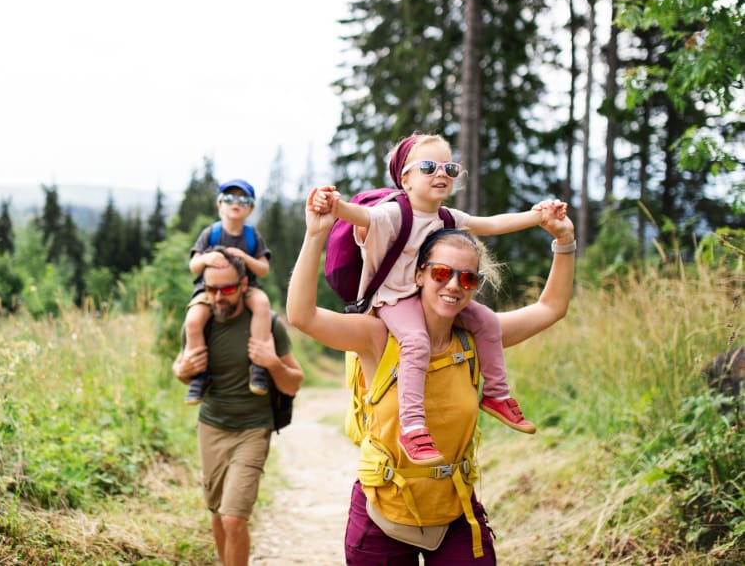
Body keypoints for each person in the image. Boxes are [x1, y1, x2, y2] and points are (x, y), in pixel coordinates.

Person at [287, 187, 575, 564]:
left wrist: (565, 241)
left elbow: (551, 307)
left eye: (468, 279)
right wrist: (315, 234)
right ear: (419, 275)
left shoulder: (477, 339)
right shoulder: (378, 336)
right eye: (441, 273)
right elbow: (301, 316)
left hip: (456, 513)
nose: (454, 285)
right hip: (382, 515)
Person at [312, 133, 567, 465]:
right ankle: (413, 426)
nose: (441, 173)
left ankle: (496, 395)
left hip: (425, 296)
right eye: (429, 167)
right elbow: (361, 217)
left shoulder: (446, 218)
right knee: (416, 341)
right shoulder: (393, 213)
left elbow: (489, 225)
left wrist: (538, 217)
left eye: (450, 167)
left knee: (487, 320)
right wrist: (333, 206)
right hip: (393, 301)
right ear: (405, 178)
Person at [173, 247, 304, 566]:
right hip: (211, 428)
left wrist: (272, 364)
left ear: (244, 285)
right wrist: (182, 370)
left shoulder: (269, 325)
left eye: (227, 289)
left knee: (233, 518)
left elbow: (294, 382)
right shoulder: (199, 323)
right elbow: (181, 370)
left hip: (252, 431)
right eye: (211, 289)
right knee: (217, 515)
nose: (218, 297)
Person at [184, 178, 274, 404]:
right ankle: (199, 374)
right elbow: (193, 266)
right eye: (229, 198)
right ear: (219, 205)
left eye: (243, 200)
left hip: (247, 286)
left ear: (251, 208)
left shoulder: (252, 236)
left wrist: (244, 258)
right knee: (194, 321)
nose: (236, 203)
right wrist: (206, 257)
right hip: (211, 289)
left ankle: (258, 366)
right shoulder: (210, 234)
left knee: (262, 305)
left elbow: (263, 269)